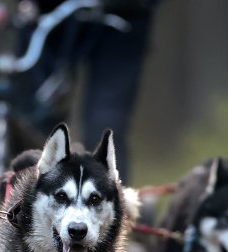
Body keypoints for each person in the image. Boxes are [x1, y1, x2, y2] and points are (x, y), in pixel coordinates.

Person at [10, 0, 160, 184]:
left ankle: (113, 203)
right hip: (47, 15)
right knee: (29, 120)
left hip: (123, 16)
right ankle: (22, 200)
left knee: (104, 125)